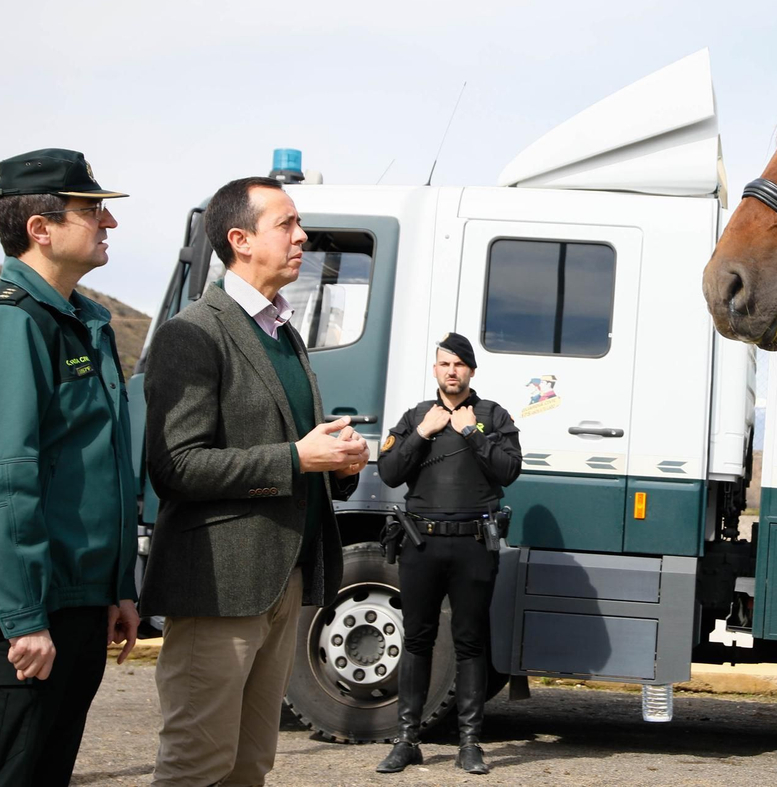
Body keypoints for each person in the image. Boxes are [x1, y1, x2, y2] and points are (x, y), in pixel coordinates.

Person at [141, 176, 369, 787]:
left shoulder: (284, 333)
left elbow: (293, 452)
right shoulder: (194, 333)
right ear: (239, 240)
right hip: (219, 586)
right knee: (196, 764)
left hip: (281, 581)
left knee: (248, 766)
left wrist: (337, 464)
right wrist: (297, 458)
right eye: (287, 224)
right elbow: (176, 467)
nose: (303, 237)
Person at [0, 148, 140, 787]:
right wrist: (23, 618)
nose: (109, 223)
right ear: (40, 228)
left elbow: (99, 473)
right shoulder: (9, 328)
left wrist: (115, 587)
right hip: (12, 605)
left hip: (73, 601)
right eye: (92, 209)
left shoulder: (81, 325)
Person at [375, 333, 522, 775]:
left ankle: (470, 744)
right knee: (417, 639)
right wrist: (423, 433)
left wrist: (471, 433)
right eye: (444, 364)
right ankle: (406, 740)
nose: (451, 371)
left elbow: (509, 471)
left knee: (470, 641)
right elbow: (389, 471)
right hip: (421, 544)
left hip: (473, 544)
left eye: (459, 364)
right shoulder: (417, 416)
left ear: (472, 370)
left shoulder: (492, 416)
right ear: (435, 370)